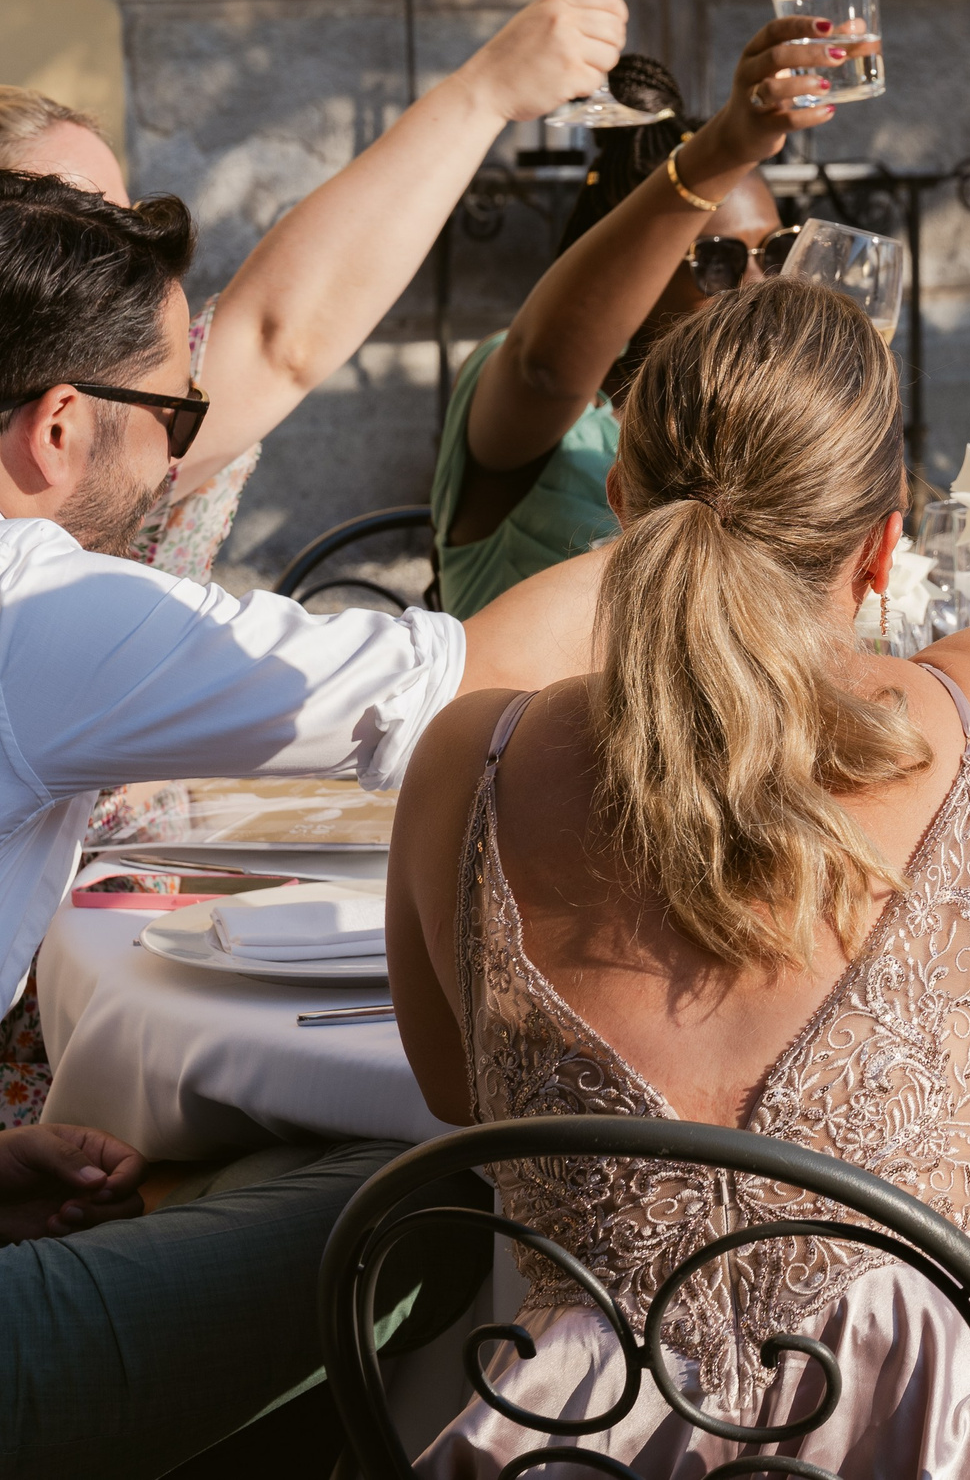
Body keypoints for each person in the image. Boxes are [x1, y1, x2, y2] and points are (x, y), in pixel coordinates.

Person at [385, 271, 970, 1475]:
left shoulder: (469, 761)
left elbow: (458, 1098)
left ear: (622, 504)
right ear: (884, 548)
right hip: (935, 1437)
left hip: (577, 1450)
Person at [0, 173, 595, 1475]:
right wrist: (728, 512)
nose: (178, 459)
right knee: (451, 1196)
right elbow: (459, 679)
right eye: (172, 413)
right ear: (56, 425)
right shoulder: (36, 603)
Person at [0, 0, 622, 587]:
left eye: (122, 220)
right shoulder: (111, 416)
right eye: (77, 224)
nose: (128, 256)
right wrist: (485, 92)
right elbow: (280, 336)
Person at [434, 20, 843, 618]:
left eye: (775, 251)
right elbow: (544, 369)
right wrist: (722, 148)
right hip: (509, 713)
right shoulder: (538, 406)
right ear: (636, 267)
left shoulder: (734, 425)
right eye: (717, 260)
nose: (757, 284)